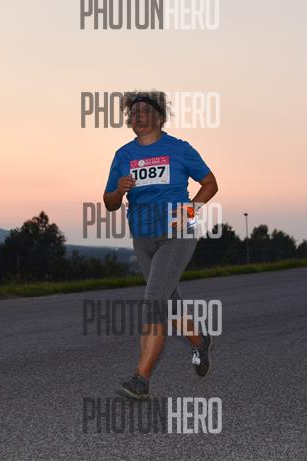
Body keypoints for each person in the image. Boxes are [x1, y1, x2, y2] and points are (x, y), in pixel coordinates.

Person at [103, 91, 219, 400]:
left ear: (160, 118)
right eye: (133, 113)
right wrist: (118, 190)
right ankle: (200, 342)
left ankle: (140, 379)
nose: (137, 116)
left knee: (154, 300)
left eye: (144, 111)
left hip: (176, 234)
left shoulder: (179, 149)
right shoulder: (123, 155)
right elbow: (109, 202)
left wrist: (190, 210)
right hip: (142, 238)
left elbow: (210, 183)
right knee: (169, 302)